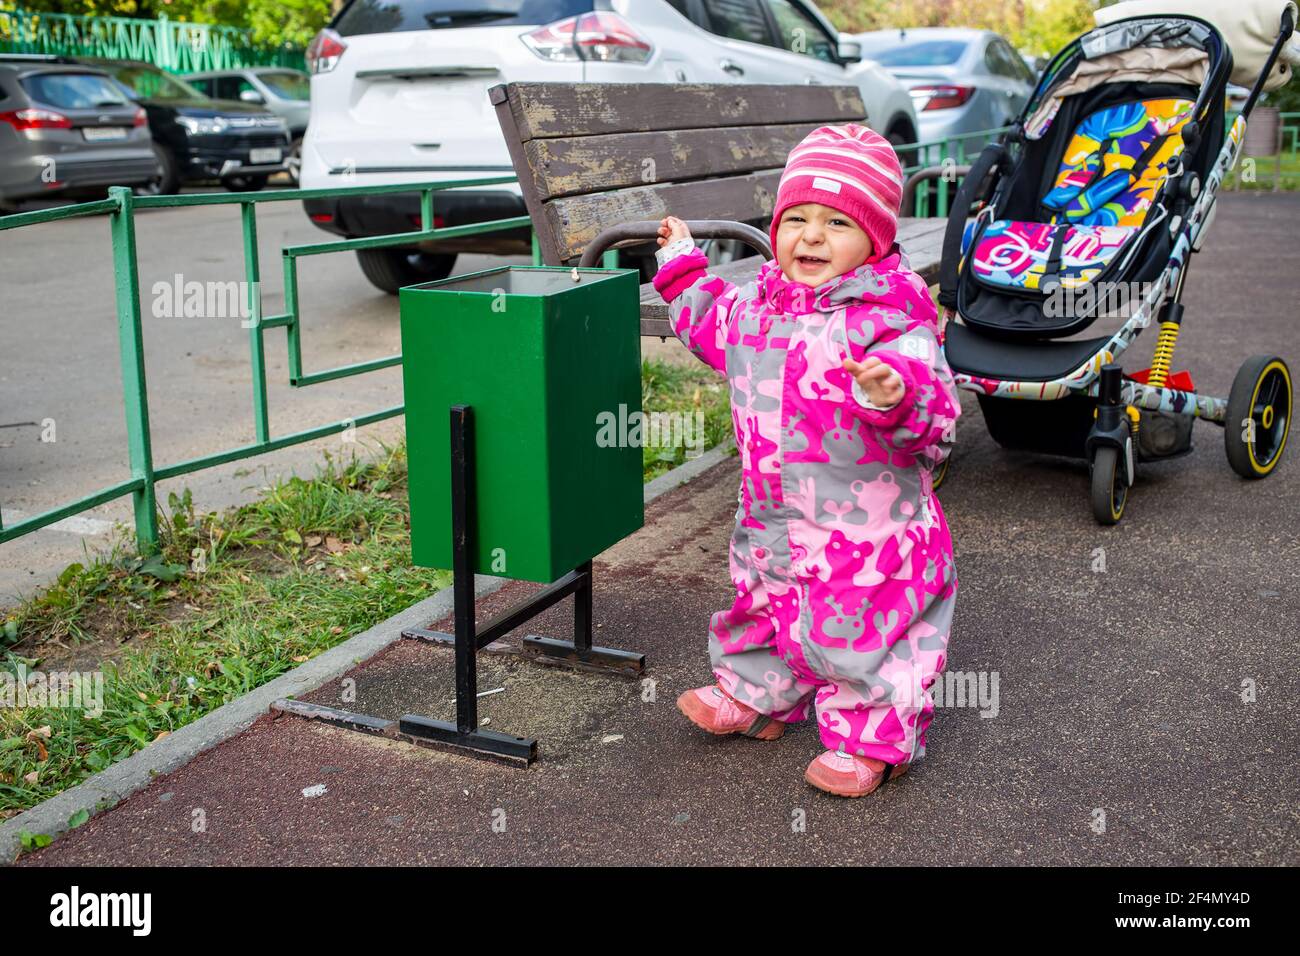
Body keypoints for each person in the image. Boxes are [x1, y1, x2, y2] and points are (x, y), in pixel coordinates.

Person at [654, 124, 961, 797]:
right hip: (772, 514)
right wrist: (682, 270)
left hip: (867, 532)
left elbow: (937, 418)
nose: (811, 237)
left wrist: (894, 392)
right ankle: (759, 696)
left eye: (836, 222)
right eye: (795, 219)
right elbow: (711, 325)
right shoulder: (757, 307)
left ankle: (870, 740)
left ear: (875, 241)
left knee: (863, 630)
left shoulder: (890, 322)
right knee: (764, 603)